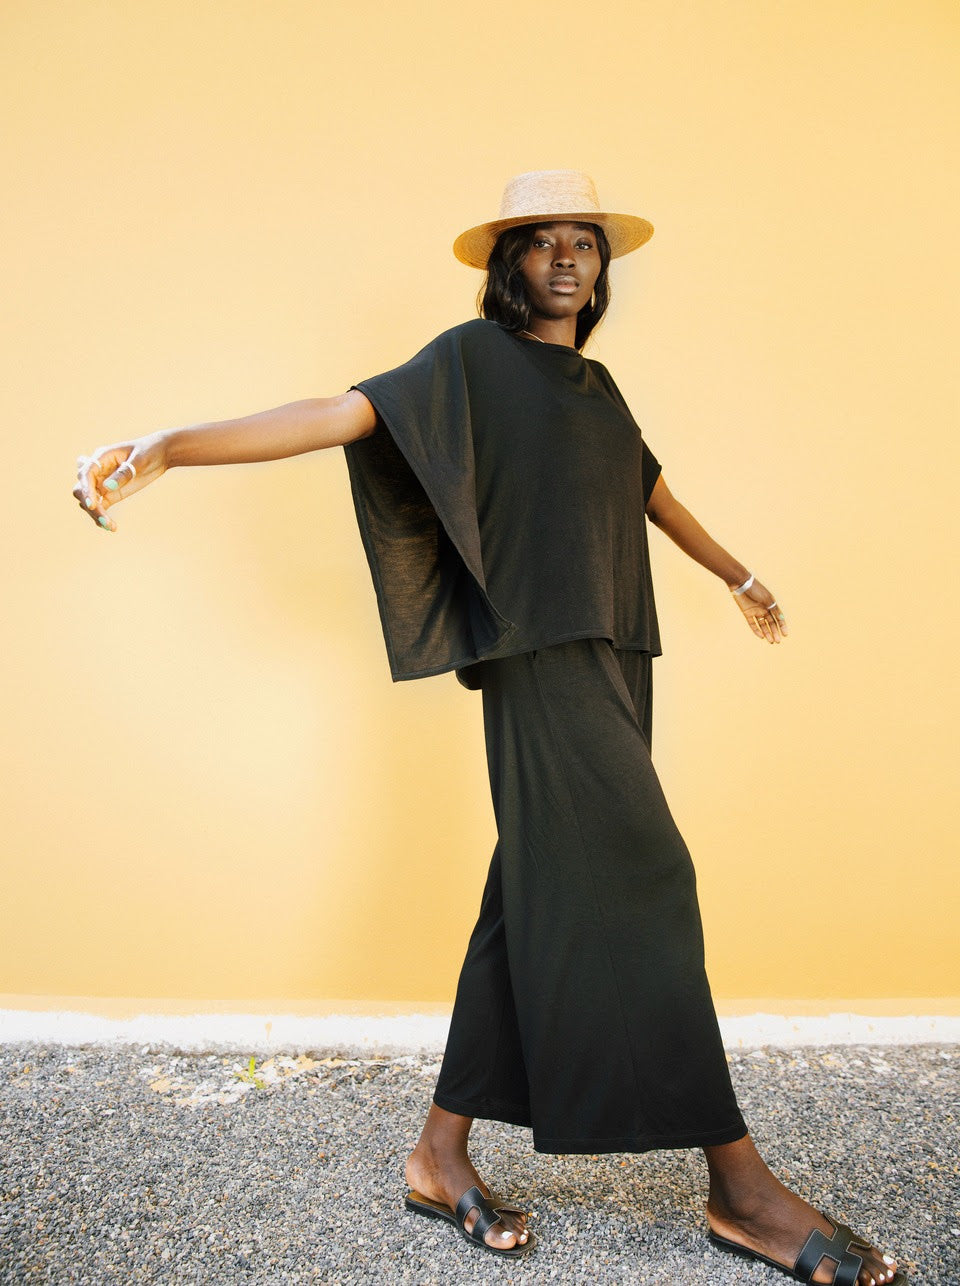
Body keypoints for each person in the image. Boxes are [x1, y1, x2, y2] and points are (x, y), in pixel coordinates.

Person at [73, 170, 903, 1286]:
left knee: (531, 894)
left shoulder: (597, 385)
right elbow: (337, 414)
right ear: (506, 264)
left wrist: (738, 572)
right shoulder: (463, 365)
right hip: (537, 655)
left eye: (586, 243)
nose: (567, 257)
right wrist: (169, 442)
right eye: (543, 241)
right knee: (647, 872)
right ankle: (741, 1187)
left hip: (616, 652)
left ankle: (437, 1152)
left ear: (601, 271)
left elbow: (650, 492)